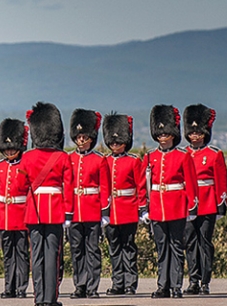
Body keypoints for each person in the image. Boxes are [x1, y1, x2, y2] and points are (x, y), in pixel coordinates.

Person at [144, 105, 198, 299]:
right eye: (160, 133)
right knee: (161, 247)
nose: (163, 137)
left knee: (176, 246)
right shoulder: (150, 156)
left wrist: (192, 206)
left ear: (173, 134)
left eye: (166, 133)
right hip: (157, 207)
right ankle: (162, 285)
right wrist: (144, 208)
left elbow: (191, 184)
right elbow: (145, 185)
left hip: (176, 206)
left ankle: (176, 285)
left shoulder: (183, 156)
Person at [23, 102, 74, 306]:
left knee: (36, 256)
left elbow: (20, 184)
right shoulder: (62, 158)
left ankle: (39, 298)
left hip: (34, 210)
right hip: (54, 209)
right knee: (53, 255)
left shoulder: (27, 158)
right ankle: (51, 298)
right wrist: (68, 214)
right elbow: (68, 188)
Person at [182, 104, 227, 295]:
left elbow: (222, 181)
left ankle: (205, 281)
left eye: (199, 132)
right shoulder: (182, 153)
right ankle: (193, 279)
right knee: (190, 242)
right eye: (192, 132)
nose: (195, 135)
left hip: (208, 203)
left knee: (205, 243)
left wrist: (221, 205)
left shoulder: (214, 154)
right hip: (187, 204)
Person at [0, 118, 31, 299]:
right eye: (6, 148)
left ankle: (21, 287)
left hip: (21, 215)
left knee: (21, 253)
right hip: (4, 215)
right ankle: (9, 287)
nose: (9, 151)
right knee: (7, 254)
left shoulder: (25, 166)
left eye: (13, 147)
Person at [101, 113, 146, 296]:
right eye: (112, 143)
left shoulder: (134, 161)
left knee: (128, 247)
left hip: (128, 209)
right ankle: (118, 282)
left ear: (125, 142)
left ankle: (130, 283)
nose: (114, 145)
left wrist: (142, 208)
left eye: (118, 143)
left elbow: (141, 185)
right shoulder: (105, 161)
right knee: (114, 248)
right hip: (111, 211)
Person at [66, 109, 107, 299]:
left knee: (92, 250)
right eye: (78, 136)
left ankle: (92, 286)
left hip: (92, 210)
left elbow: (104, 187)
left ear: (91, 137)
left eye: (85, 136)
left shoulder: (100, 160)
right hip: (74, 210)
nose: (81, 139)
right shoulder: (69, 159)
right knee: (77, 250)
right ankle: (79, 285)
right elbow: (66, 186)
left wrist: (104, 212)